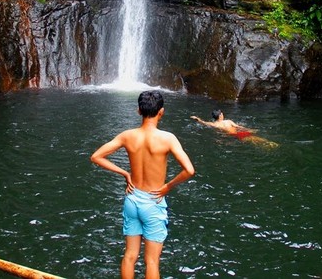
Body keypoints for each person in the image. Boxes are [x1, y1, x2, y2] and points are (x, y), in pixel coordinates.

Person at [90, 90, 195, 279]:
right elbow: (189, 170)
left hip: (132, 199)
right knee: (152, 261)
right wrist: (167, 187)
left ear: (138, 110)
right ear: (161, 112)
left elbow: (96, 156)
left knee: (130, 256)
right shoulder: (168, 138)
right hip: (153, 201)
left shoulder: (127, 136)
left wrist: (124, 173)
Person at [190, 110, 279, 147]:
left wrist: (197, 119)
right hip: (238, 133)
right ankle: (269, 144)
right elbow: (239, 127)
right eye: (221, 113)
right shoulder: (228, 121)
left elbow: (204, 123)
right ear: (220, 115)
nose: (222, 114)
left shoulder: (215, 125)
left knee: (252, 141)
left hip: (233, 136)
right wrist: (250, 129)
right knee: (254, 138)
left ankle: (267, 145)